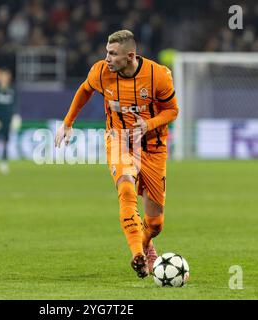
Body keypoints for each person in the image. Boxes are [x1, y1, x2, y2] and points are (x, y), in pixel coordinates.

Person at [55, 30, 179, 278]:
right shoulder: (100, 71)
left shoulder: (158, 76)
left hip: (153, 146)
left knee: (155, 224)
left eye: (113, 54)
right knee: (125, 189)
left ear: (130, 56)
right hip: (119, 140)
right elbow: (84, 90)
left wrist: (149, 124)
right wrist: (68, 122)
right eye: (107, 52)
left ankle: (145, 243)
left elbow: (172, 111)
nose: (107, 58)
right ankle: (137, 254)